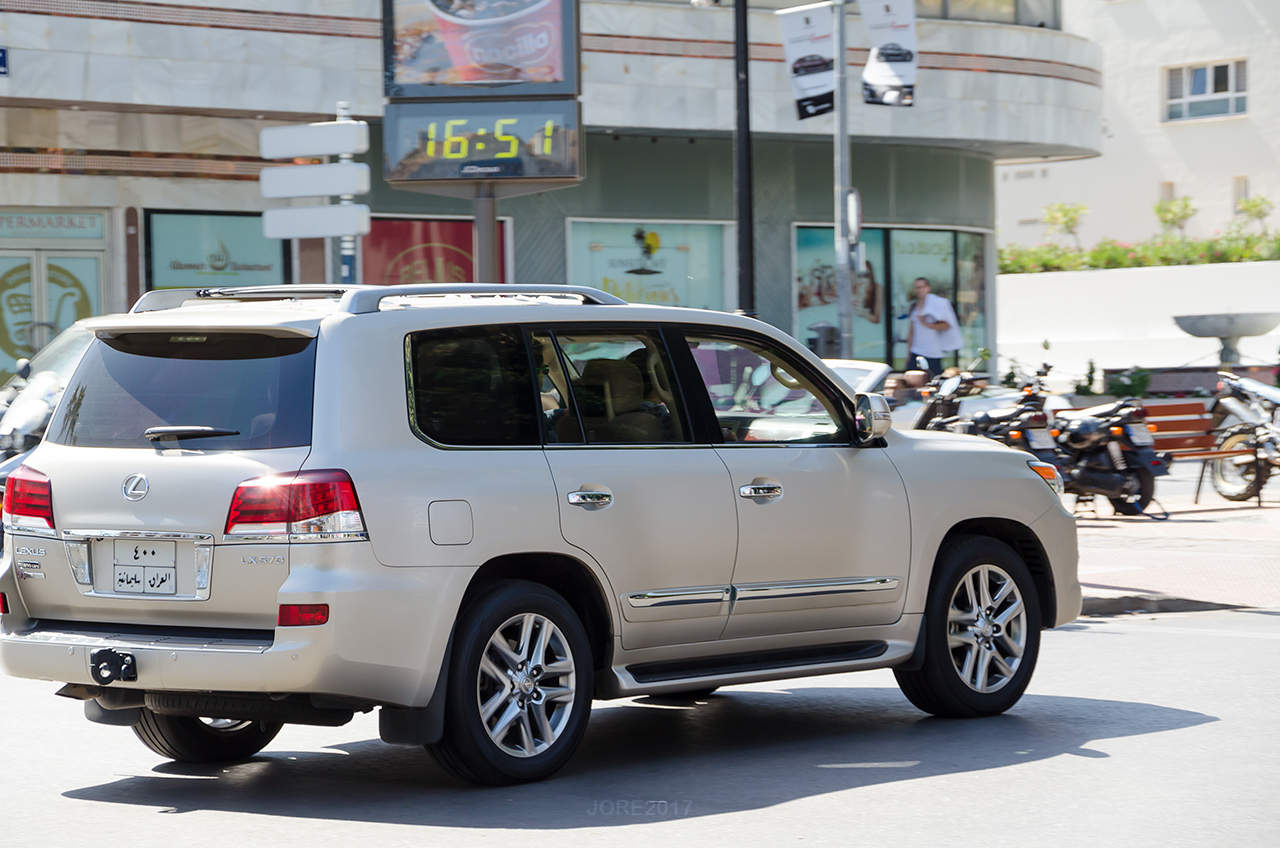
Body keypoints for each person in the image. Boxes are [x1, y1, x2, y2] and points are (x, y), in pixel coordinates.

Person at [906, 277, 962, 376]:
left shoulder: (936, 305)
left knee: (932, 380)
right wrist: (909, 354)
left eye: (921, 287)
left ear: (928, 288)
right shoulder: (914, 306)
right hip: (916, 351)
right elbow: (911, 331)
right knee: (912, 380)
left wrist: (926, 323)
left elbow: (946, 325)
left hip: (932, 352)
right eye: (916, 288)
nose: (919, 290)